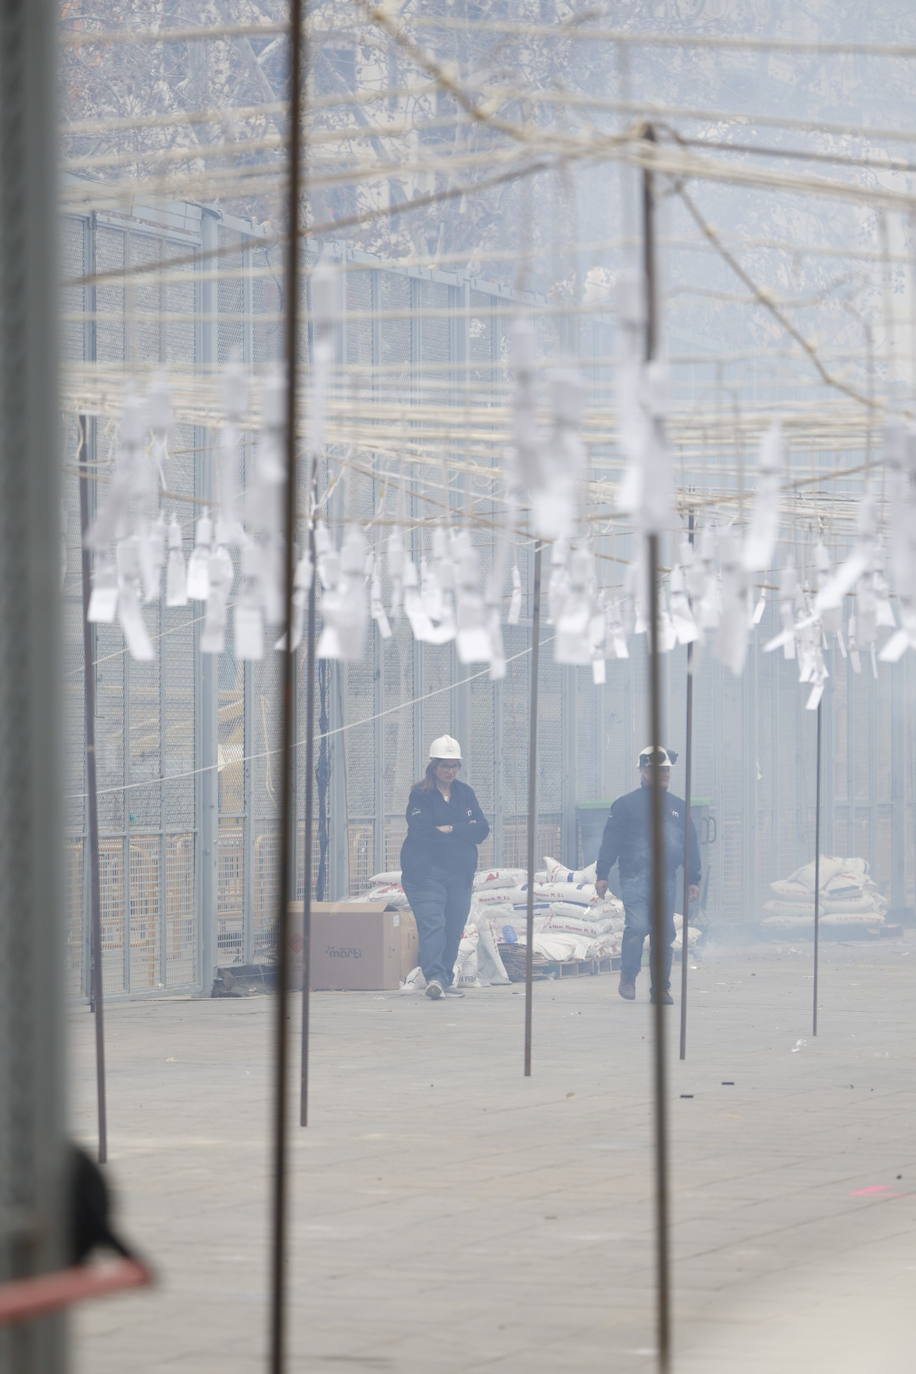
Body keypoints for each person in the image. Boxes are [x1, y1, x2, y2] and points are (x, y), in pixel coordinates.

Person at [595, 745, 700, 1005]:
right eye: (656, 770)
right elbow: (611, 840)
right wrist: (602, 872)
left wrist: (693, 878)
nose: (662, 774)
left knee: (664, 934)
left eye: (666, 770)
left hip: (665, 879)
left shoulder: (677, 806)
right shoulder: (625, 805)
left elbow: (690, 843)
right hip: (633, 876)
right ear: (643, 771)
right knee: (639, 926)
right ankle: (628, 977)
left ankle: (660, 989)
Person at [400, 735, 490, 1001]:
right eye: (445, 766)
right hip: (426, 872)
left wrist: (450, 829)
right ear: (434, 767)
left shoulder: (465, 793)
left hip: (459, 873)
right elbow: (421, 832)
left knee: (453, 926)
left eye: (454, 766)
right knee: (433, 924)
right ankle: (435, 977)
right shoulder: (421, 794)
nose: (450, 771)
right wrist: (463, 831)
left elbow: (482, 829)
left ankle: (445, 978)